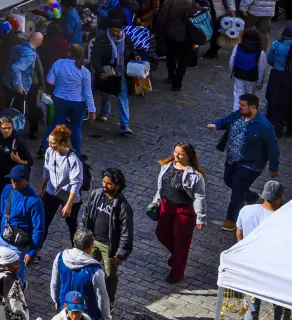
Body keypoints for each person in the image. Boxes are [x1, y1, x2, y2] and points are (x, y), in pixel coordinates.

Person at [208, 93, 281, 229]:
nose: (239, 107)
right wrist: (216, 125)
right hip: (232, 160)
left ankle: (231, 221)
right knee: (228, 181)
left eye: (242, 105)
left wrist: (273, 167)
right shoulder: (238, 115)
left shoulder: (264, 126)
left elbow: (273, 148)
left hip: (250, 164)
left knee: (237, 191)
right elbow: (226, 121)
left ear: (253, 107)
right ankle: (251, 196)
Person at [150, 142, 206, 283]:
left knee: (182, 242)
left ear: (189, 157)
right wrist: (156, 201)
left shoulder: (196, 176)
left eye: (181, 153)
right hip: (166, 206)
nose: (176, 155)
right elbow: (161, 187)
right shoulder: (166, 166)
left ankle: (176, 274)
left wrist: (200, 217)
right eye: (175, 152)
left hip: (185, 210)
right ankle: (176, 255)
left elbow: (199, 196)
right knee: (161, 233)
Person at [76, 170, 131, 303]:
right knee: (87, 269)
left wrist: (121, 253)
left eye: (109, 184)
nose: (105, 186)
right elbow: (86, 215)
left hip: (110, 246)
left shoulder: (123, 206)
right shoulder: (96, 195)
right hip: (92, 241)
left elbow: (126, 232)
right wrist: (82, 234)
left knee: (109, 276)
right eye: (104, 182)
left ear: (117, 186)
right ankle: (88, 295)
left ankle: (108, 301)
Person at [87, 16, 141, 136]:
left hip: (122, 73)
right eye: (113, 31)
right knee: (106, 94)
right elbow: (96, 58)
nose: (115, 33)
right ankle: (105, 112)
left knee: (123, 97)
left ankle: (124, 124)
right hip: (108, 72)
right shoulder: (102, 40)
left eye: (117, 31)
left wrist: (135, 56)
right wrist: (100, 71)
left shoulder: (126, 39)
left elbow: (131, 51)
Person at [0, 117, 37, 241]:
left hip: (9, 181)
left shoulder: (18, 141)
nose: (8, 131)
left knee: (6, 207)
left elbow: (30, 161)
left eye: (10, 128)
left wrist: (19, 161)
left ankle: (5, 233)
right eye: (5, 128)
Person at [47, 231, 107, 320]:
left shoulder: (60, 258)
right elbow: (102, 298)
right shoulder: (95, 270)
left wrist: (56, 301)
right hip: (86, 313)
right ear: (91, 246)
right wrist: (106, 317)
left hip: (66, 309)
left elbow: (55, 284)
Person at [0, 165, 46, 271]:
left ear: (25, 180)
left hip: (18, 247)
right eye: (12, 178)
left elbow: (39, 229)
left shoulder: (34, 202)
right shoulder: (7, 189)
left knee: (16, 278)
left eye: (17, 179)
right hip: (2, 239)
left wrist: (32, 252)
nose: (13, 181)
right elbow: (0, 212)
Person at [45, 47, 94, 155]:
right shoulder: (84, 71)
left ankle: (44, 147)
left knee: (56, 125)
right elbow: (87, 92)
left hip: (60, 99)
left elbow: (50, 80)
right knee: (76, 129)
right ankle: (78, 153)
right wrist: (92, 109)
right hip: (78, 103)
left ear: (68, 52)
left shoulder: (59, 63)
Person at [41, 127, 84, 247]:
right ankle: (36, 251)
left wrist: (69, 205)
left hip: (68, 195)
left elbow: (76, 183)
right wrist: (42, 188)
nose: (50, 145)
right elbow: (46, 170)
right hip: (51, 191)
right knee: (43, 221)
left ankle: (77, 250)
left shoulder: (72, 159)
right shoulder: (49, 151)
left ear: (62, 143)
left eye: (53, 143)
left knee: (72, 226)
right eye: (49, 142)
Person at [156, 0, 200, 92]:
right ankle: (178, 83)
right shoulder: (192, 3)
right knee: (183, 61)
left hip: (172, 36)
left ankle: (171, 76)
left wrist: (158, 30)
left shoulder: (169, 2)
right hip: (187, 37)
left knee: (171, 57)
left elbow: (162, 18)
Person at [270, 26, 292, 135]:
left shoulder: (276, 45)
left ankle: (276, 127)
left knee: (275, 102)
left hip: (278, 76)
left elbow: (270, 60)